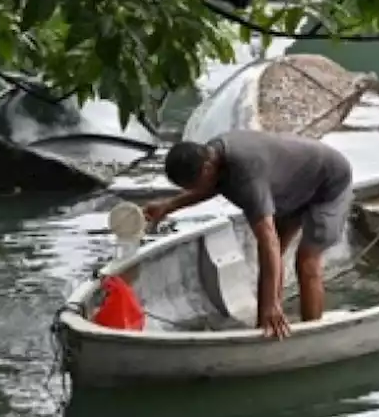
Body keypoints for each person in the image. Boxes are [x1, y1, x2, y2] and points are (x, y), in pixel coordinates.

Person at [143, 130, 353, 340]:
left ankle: (312, 334)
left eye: (194, 186)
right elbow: (211, 185)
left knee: (306, 261)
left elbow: (267, 240)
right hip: (292, 186)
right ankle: (265, 326)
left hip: (328, 182)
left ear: (207, 167)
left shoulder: (245, 172)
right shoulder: (211, 155)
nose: (195, 190)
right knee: (274, 255)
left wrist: (271, 304)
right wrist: (168, 206)